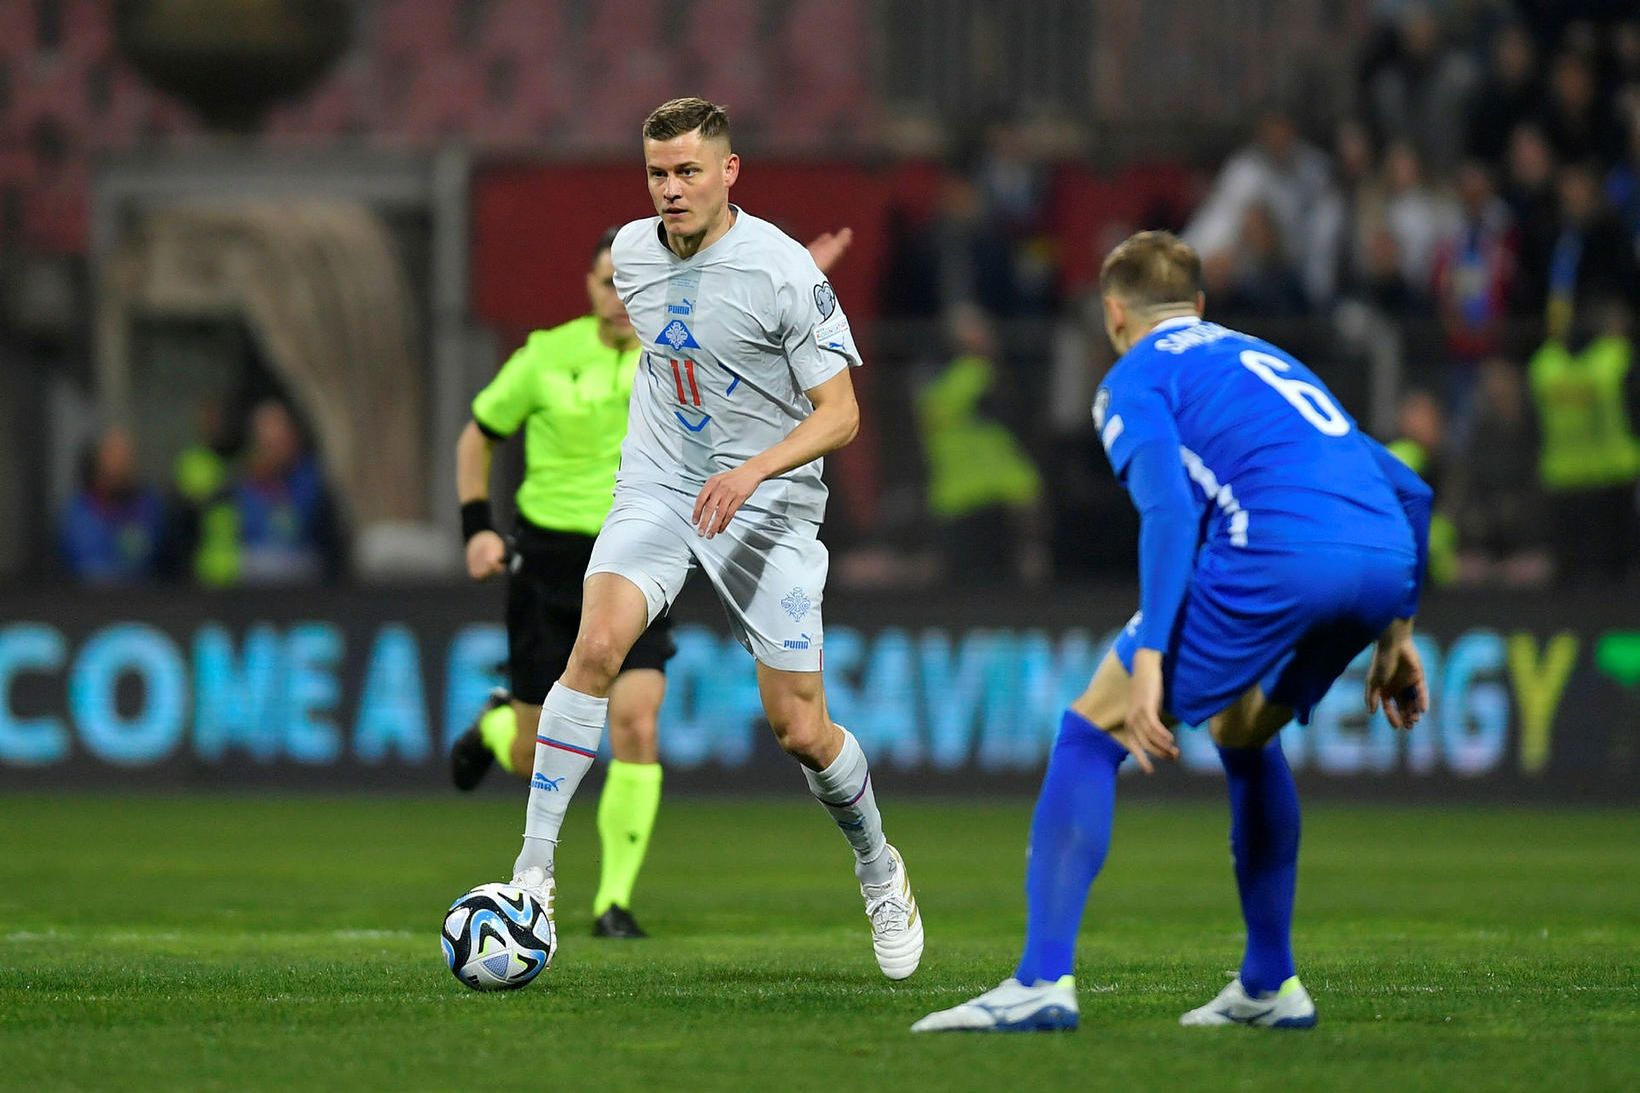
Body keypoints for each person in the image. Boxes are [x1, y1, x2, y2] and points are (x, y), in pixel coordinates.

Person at [914, 231, 1431, 1033]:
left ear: (1113, 314)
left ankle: (1040, 979)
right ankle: (1269, 984)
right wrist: (1397, 635)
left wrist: (1152, 650)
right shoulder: (1265, 360)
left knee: (1090, 731)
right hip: (1382, 562)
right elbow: (1413, 489)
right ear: (1197, 306)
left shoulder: (1134, 378)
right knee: (1244, 730)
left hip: (1278, 553)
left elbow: (1170, 510)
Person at [481, 97, 922, 979]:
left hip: (769, 503)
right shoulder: (635, 255)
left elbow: (840, 414)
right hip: (661, 485)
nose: (670, 190)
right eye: (656, 173)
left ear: (729, 172)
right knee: (595, 647)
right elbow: (689, 338)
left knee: (799, 727)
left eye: (687, 172)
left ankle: (880, 867)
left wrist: (754, 463)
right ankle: (532, 875)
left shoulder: (779, 270)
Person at [451, 222, 854, 939]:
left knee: (637, 721)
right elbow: (479, 432)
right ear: (590, 287)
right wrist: (477, 525)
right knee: (527, 747)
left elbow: (756, 329)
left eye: (624, 283)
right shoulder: (546, 356)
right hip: (548, 558)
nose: (617, 297)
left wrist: (799, 278)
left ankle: (611, 902)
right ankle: (495, 726)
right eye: (606, 284)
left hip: (643, 546)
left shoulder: (675, 349)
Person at [58, 425, 168, 584]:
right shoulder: (78, 514)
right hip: (88, 602)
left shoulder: (150, 509)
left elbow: (161, 559)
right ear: (100, 460)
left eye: (125, 458)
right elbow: (79, 565)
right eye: (112, 456)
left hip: (142, 601)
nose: (119, 465)